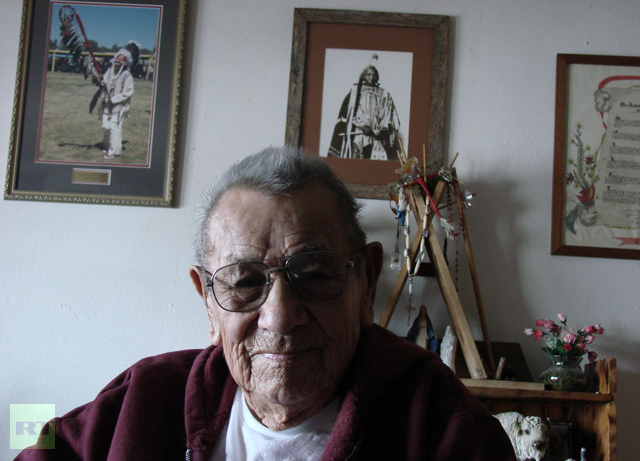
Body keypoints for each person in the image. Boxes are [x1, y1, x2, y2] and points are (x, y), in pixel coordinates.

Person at [15, 147, 516, 461]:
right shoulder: (143, 401)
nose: (279, 316)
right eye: (244, 283)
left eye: (315, 274)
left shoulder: (440, 424)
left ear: (365, 281)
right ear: (208, 302)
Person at [327, 54, 401, 161]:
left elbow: (389, 113)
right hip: (359, 136)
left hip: (378, 138)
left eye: (374, 75)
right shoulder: (355, 93)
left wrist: (383, 129)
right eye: (368, 74)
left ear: (377, 77)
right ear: (363, 76)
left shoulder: (384, 94)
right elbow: (349, 113)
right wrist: (362, 126)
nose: (371, 77)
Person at [99, 48, 135, 159]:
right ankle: (107, 146)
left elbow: (128, 92)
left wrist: (114, 99)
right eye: (115, 62)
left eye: (119, 63)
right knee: (106, 127)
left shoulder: (127, 76)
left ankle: (113, 151)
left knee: (115, 128)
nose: (116, 64)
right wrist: (100, 81)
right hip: (107, 105)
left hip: (118, 107)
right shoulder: (109, 72)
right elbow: (103, 82)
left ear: (124, 64)